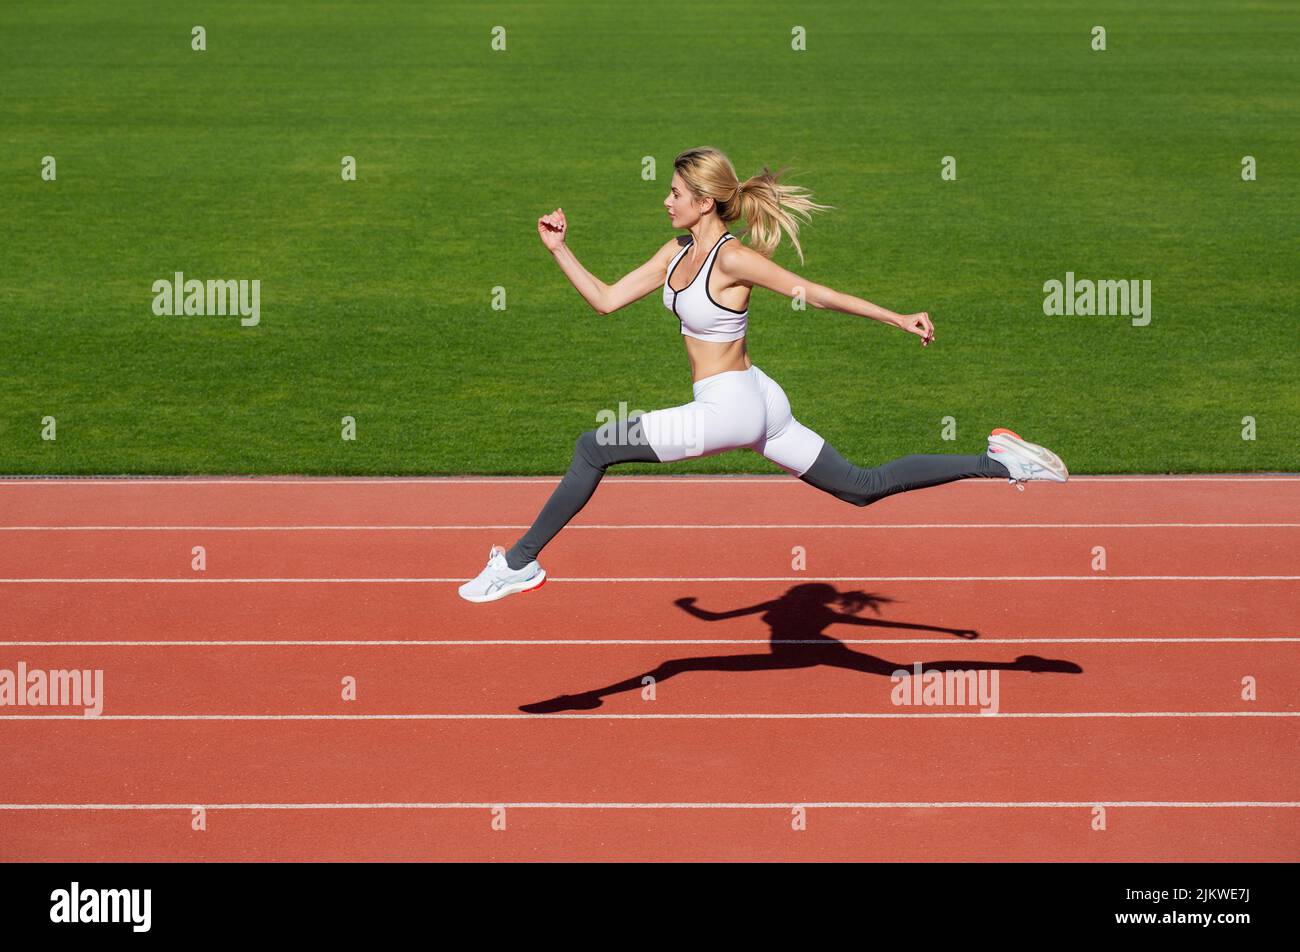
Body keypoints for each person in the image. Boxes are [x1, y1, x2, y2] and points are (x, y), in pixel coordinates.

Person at [459, 146, 1067, 603]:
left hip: (731, 409)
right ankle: (1002, 460)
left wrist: (895, 317)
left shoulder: (735, 258)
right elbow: (606, 300)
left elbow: (816, 293)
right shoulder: (674, 252)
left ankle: (519, 563)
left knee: (594, 447)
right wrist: (560, 249)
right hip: (757, 400)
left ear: (704, 201)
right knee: (862, 486)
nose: (665, 200)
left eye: (674, 193)